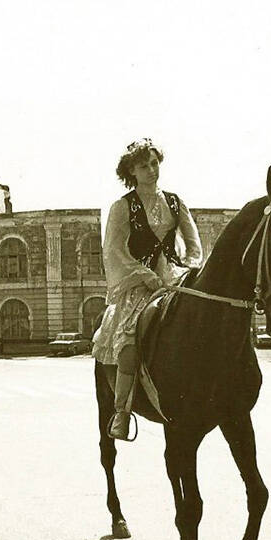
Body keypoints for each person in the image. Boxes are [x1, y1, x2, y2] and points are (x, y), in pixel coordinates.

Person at [91, 139, 204, 439]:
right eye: (144, 166)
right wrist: (144, 274)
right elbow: (114, 250)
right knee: (128, 341)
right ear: (131, 171)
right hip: (140, 284)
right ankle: (121, 412)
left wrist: (188, 270)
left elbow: (194, 245)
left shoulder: (176, 202)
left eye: (154, 163)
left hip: (176, 280)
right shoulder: (122, 207)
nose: (151, 170)